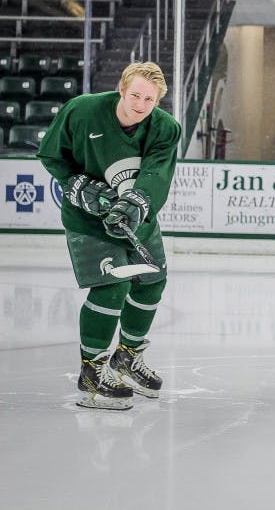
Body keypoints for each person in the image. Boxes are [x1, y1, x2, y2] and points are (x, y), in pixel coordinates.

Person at [37, 62, 182, 410]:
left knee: (151, 282)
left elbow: (156, 173)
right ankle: (92, 369)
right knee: (112, 285)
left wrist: (136, 203)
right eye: (135, 95)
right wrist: (76, 184)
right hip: (88, 220)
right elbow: (51, 154)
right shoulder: (83, 110)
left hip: (138, 220)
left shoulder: (165, 128)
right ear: (121, 89)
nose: (141, 104)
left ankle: (128, 357)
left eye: (150, 99)